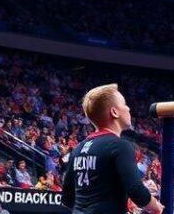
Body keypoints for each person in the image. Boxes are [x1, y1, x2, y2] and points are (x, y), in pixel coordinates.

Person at [61, 84, 163, 214]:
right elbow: (136, 190)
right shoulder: (120, 146)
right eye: (125, 104)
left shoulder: (78, 149)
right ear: (114, 112)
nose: (129, 108)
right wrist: (156, 206)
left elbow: (67, 199)